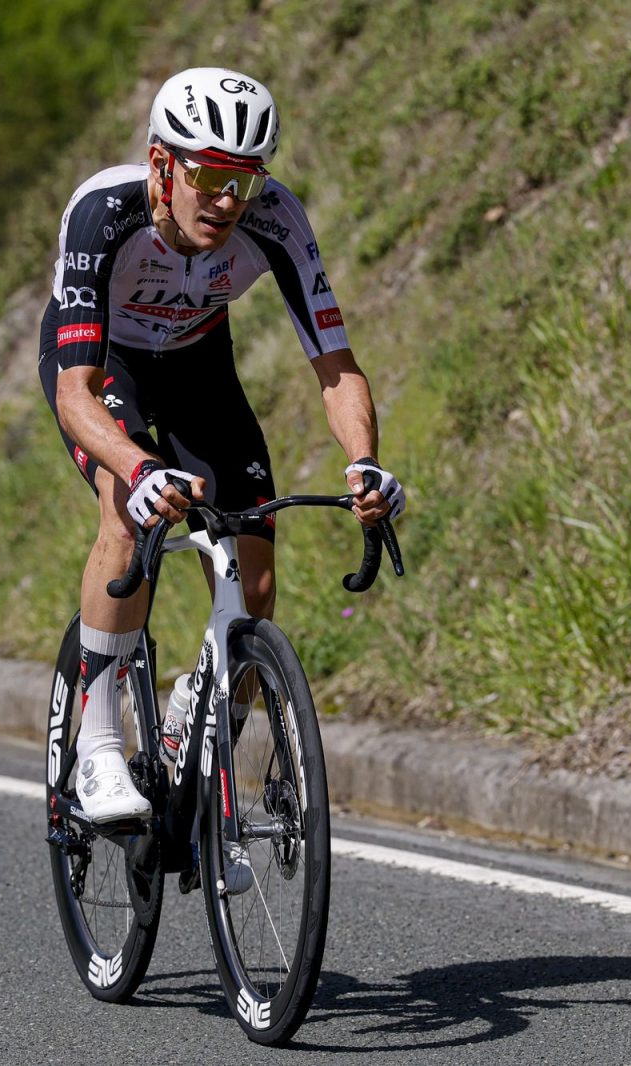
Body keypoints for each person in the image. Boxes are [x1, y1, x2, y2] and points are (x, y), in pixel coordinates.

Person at [38, 68, 405, 822]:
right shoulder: (103, 213)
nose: (227, 201)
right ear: (162, 162)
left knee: (255, 590)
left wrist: (365, 461)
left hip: (200, 367)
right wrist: (137, 467)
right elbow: (75, 392)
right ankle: (99, 748)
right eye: (207, 175)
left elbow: (336, 365)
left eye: (245, 178)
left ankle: (192, 738)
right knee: (129, 509)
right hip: (106, 367)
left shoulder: (275, 217)